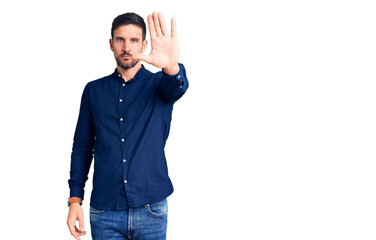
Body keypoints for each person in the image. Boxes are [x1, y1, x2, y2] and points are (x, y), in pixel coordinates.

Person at [66, 12, 188, 240]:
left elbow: (178, 87)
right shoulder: (93, 91)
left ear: (144, 44)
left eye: (134, 40)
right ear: (111, 44)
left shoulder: (159, 85)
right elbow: (82, 146)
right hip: (105, 212)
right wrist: (75, 200)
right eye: (120, 39)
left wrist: (171, 65)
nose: (127, 47)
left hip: (151, 208)